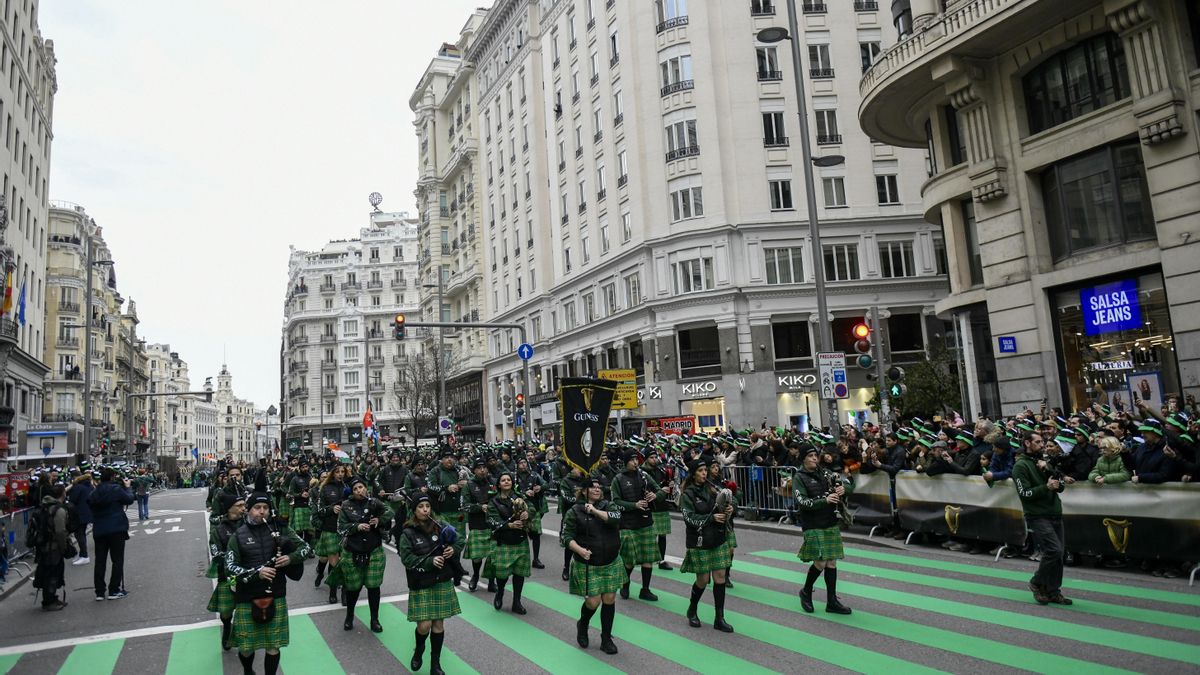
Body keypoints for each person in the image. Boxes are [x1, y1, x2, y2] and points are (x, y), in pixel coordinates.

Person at [226, 483, 313, 675]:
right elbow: (230, 568)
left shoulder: (281, 529)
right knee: (246, 647)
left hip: (276, 594)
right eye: (257, 508)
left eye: (265, 508)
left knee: (273, 646)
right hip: (247, 596)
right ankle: (248, 671)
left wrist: (291, 557)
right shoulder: (238, 536)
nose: (262, 512)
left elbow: (306, 548)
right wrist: (257, 573)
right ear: (248, 510)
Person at [400, 494, 464, 675]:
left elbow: (459, 539)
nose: (425, 509)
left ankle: (435, 664)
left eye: (427, 505)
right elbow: (406, 558)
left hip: (442, 580)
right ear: (414, 511)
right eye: (421, 506)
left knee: (438, 624)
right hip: (421, 582)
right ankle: (419, 649)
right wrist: (429, 562)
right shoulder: (407, 532)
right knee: (424, 626)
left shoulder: (441, 525)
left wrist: (453, 549)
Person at [561, 477, 623, 654]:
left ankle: (606, 638)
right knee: (593, 601)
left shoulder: (608, 505)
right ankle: (583, 624)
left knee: (609, 599)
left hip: (610, 561)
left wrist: (595, 511)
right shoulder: (574, 511)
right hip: (588, 563)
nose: (597, 490)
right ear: (583, 491)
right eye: (592, 487)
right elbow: (565, 537)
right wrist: (579, 550)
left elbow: (616, 519)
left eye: (599, 487)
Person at [1012, 432, 1071, 605]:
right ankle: (1037, 582)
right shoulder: (1020, 466)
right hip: (1037, 514)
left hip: (1054, 511)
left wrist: (1053, 476)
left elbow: (1059, 487)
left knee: (1059, 555)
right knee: (1054, 550)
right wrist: (1046, 487)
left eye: (1042, 441)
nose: (1042, 444)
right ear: (1027, 443)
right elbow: (1025, 493)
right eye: (1037, 442)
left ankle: (1053, 590)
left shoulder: (1045, 462)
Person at [794, 446, 853, 615]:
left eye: (815, 456)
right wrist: (824, 500)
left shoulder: (826, 473)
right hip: (812, 524)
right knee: (820, 562)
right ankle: (806, 591)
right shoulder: (799, 477)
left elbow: (847, 485)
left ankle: (832, 601)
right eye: (810, 456)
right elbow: (802, 502)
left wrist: (844, 489)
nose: (814, 458)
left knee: (832, 562)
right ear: (804, 459)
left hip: (830, 521)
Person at [680, 460, 735, 632]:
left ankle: (719, 618)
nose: (705, 473)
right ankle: (692, 609)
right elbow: (689, 519)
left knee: (719, 578)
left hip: (718, 539)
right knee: (702, 580)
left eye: (706, 470)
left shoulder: (714, 488)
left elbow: (727, 503)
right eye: (701, 470)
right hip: (699, 541)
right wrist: (711, 519)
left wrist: (730, 510)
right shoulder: (687, 495)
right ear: (694, 473)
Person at [332, 476, 390, 632]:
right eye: (355, 489)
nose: (359, 491)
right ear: (352, 491)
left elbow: (390, 512)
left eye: (361, 487)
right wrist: (356, 527)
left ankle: (374, 619)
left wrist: (379, 520)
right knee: (353, 588)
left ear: (366, 488)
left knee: (373, 587)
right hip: (353, 550)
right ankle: (349, 616)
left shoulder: (374, 502)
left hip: (374, 550)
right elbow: (341, 528)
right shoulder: (346, 505)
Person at [610, 450, 665, 601]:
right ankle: (625, 585)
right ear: (626, 461)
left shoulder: (644, 476)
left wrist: (655, 495)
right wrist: (634, 505)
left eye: (637, 460)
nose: (636, 463)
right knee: (629, 560)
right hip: (627, 524)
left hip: (646, 522)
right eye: (632, 460)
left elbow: (660, 491)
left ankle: (645, 590)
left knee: (648, 559)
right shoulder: (618, 479)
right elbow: (615, 502)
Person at [485, 472, 531, 614]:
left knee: (519, 573)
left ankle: (516, 602)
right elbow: (491, 521)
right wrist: (509, 526)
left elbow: (533, 508)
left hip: (520, 540)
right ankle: (500, 593)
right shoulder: (493, 501)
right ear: (498, 484)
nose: (506, 482)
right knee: (502, 574)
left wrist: (528, 513)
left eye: (509, 480)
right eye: (503, 480)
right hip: (503, 541)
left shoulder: (519, 497)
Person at [208, 492, 247, 650]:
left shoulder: (250, 524)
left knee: (244, 608)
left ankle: (243, 636)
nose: (243, 508)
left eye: (244, 505)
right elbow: (216, 553)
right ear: (229, 509)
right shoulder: (219, 530)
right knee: (226, 611)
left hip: (250, 575)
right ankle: (227, 626)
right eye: (239, 506)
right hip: (230, 576)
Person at [89, 466, 134, 601]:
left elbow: (90, 503)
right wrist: (127, 487)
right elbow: (129, 499)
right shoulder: (116, 490)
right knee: (117, 560)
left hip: (100, 529)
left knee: (100, 561)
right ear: (112, 478)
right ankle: (114, 589)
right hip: (116, 528)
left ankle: (99, 592)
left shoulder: (95, 493)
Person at [32, 483, 72, 611]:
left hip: (43, 545)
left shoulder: (43, 507)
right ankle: (49, 601)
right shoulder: (58, 510)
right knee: (53, 574)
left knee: (47, 572)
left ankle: (51, 597)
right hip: (53, 547)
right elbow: (60, 531)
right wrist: (64, 546)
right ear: (62, 494)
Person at [313, 463, 348, 603]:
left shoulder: (347, 488)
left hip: (345, 530)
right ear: (332, 473)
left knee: (344, 562)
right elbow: (319, 511)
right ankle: (330, 590)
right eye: (338, 471)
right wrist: (331, 509)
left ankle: (345, 593)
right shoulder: (325, 488)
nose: (340, 474)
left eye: (343, 472)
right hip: (330, 529)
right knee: (329, 561)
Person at [464, 458, 497, 593]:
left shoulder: (494, 483)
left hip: (493, 525)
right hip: (477, 524)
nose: (482, 470)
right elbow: (464, 506)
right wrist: (479, 507)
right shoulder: (469, 485)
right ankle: (476, 576)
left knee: (493, 556)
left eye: (484, 467)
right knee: (477, 557)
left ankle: (491, 581)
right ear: (474, 470)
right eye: (479, 468)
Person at [641, 451, 674, 571]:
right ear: (646, 459)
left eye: (656, 457)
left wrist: (669, 484)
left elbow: (664, 485)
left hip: (662, 505)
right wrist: (657, 492)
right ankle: (647, 559)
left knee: (662, 535)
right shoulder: (642, 472)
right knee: (651, 536)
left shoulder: (661, 470)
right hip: (650, 506)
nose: (654, 459)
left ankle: (662, 560)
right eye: (651, 457)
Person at [515, 458, 547, 569]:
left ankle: (536, 559)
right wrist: (524, 493)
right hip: (519, 510)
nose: (523, 465)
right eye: (520, 463)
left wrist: (540, 487)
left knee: (536, 535)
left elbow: (546, 485)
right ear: (517, 465)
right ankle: (521, 559)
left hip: (535, 508)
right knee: (520, 535)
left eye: (524, 462)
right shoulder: (514, 477)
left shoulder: (535, 475)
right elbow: (511, 491)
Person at [67, 469, 94, 566]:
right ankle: (83, 554)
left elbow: (72, 500)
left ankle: (84, 555)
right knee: (81, 534)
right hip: (87, 512)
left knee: (79, 534)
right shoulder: (89, 485)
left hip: (79, 513)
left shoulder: (78, 487)